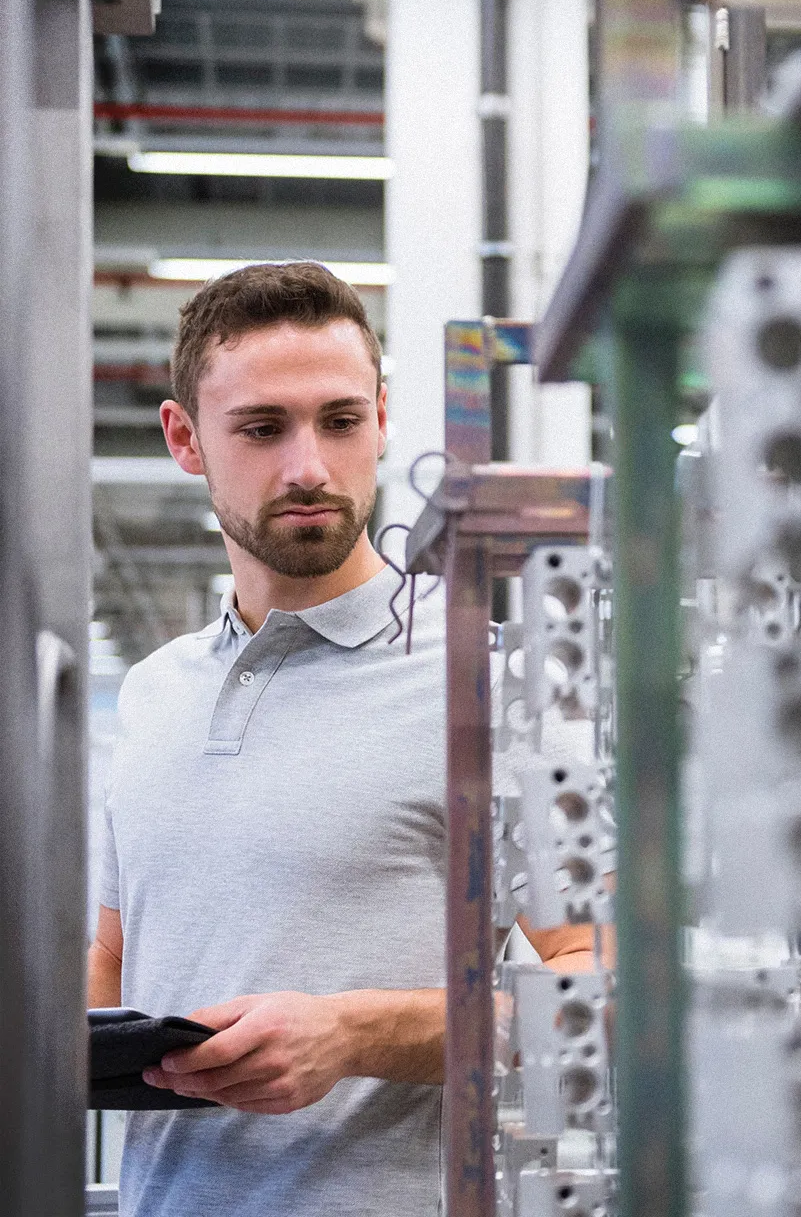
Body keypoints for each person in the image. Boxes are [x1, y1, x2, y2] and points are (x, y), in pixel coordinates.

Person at [87, 262, 593, 1217]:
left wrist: (356, 1035)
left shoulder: (494, 682)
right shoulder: (155, 693)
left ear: (383, 419)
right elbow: (112, 966)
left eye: (341, 420)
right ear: (185, 439)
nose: (310, 467)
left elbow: (603, 994)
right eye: (263, 428)